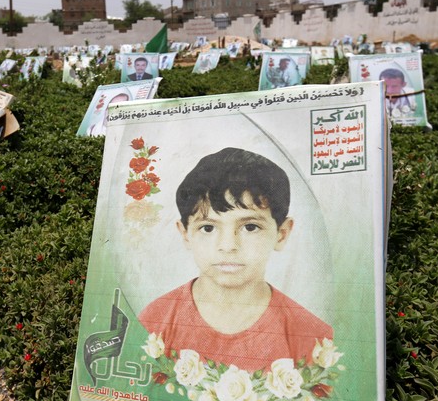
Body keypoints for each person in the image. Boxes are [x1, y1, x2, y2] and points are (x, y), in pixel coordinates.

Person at [139, 148, 333, 373]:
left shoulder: (315, 341)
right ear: (185, 234)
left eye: (250, 227)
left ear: (282, 234)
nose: (228, 245)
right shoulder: (152, 323)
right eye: (208, 228)